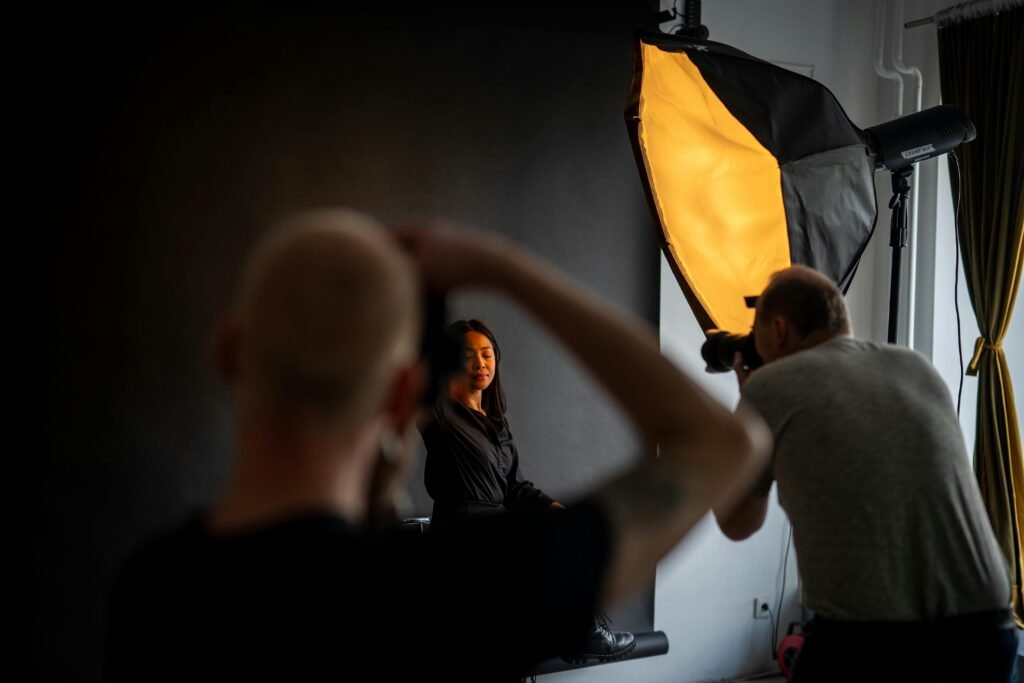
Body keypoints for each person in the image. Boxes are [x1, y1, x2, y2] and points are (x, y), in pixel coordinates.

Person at [106, 209, 770, 682]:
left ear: (226, 352)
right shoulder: (454, 590)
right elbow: (725, 443)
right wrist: (499, 267)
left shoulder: (149, 591)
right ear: (406, 396)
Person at [713, 265, 1016, 683]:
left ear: (779, 329)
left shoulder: (769, 387)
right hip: (988, 633)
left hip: (873, 643)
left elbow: (737, 522)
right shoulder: (917, 368)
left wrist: (743, 423)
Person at [422, 318, 636, 663]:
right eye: (468, 356)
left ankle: (578, 633)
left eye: (487, 354)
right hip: (463, 537)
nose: (480, 364)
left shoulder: (496, 422)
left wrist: (554, 509)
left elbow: (515, 488)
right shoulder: (439, 413)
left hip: (495, 530)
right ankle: (577, 633)